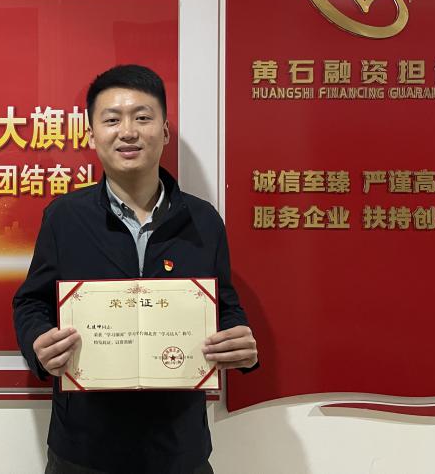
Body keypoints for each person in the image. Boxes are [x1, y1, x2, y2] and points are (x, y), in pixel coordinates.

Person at [13, 65, 258, 474]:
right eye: (112, 120)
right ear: (92, 135)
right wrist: (39, 342)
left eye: (142, 117)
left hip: (178, 448)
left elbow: (224, 304)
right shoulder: (64, 217)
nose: (128, 132)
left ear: (164, 131)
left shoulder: (203, 220)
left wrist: (239, 341)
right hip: (84, 448)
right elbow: (31, 302)